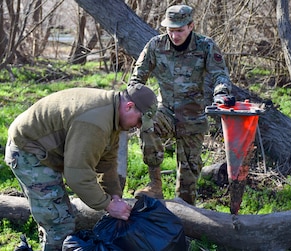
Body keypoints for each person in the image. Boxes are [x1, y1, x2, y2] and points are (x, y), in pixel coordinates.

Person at [4, 84, 157, 251]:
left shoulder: (113, 116)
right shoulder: (95, 123)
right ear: (129, 106)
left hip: (50, 148)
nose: (139, 126)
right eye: (140, 120)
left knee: (55, 214)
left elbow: (107, 162)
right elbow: (77, 176)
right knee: (60, 223)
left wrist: (115, 195)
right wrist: (109, 205)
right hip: (28, 149)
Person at [130, 4, 235, 205]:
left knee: (187, 184)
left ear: (191, 26)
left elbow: (220, 74)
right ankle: (155, 185)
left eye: (179, 30)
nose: (174, 35)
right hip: (166, 112)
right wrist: (134, 97)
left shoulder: (206, 46)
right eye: (170, 30)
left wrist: (221, 93)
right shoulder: (156, 45)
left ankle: (186, 220)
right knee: (146, 123)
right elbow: (137, 78)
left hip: (193, 117)